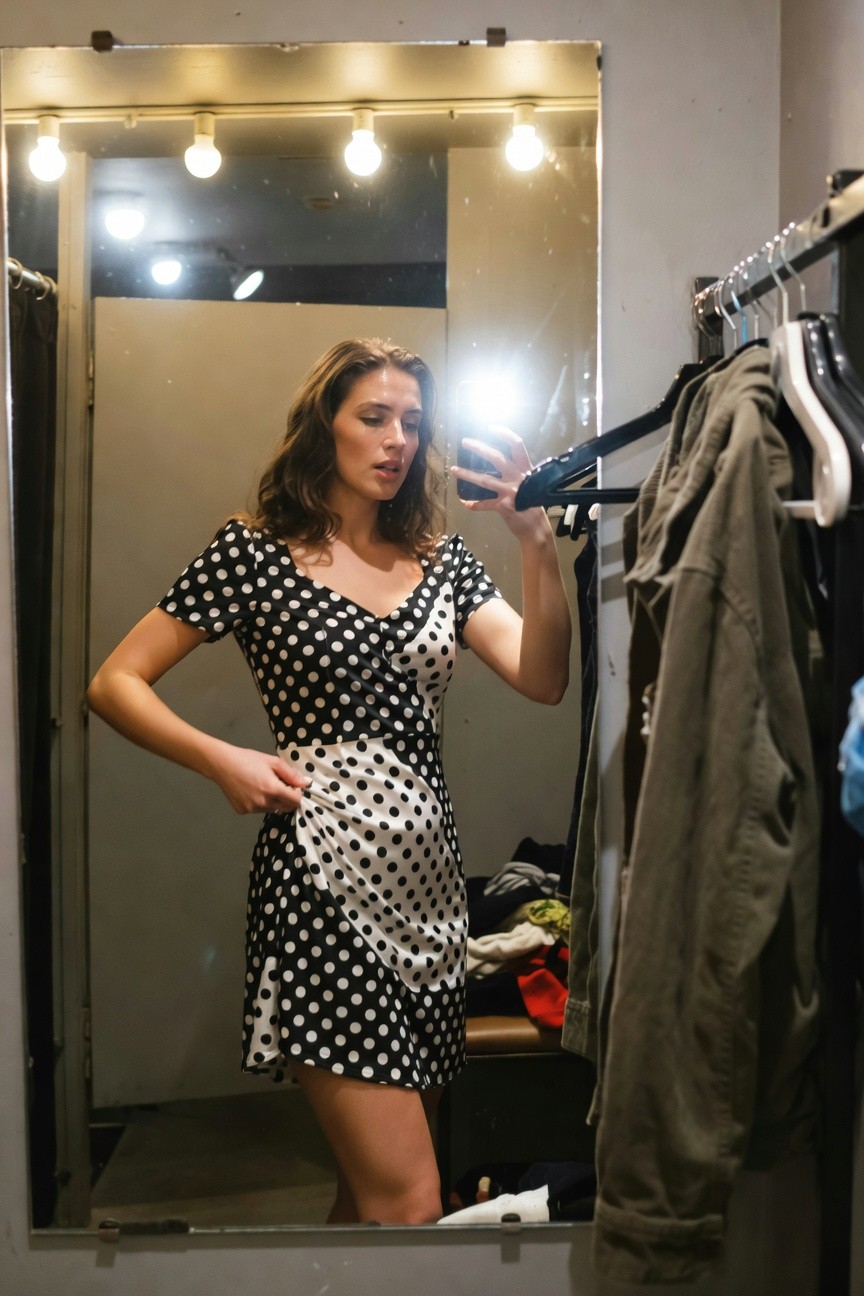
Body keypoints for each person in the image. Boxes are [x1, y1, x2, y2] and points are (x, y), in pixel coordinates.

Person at [87, 337, 571, 1226]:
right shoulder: (257, 552)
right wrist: (221, 757)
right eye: (374, 417)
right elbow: (113, 682)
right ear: (326, 426)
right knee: (411, 1202)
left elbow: (543, 677)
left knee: (370, 1200)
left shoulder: (444, 561)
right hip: (322, 888)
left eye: (413, 425)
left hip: (430, 897)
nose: (397, 441)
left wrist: (534, 539)